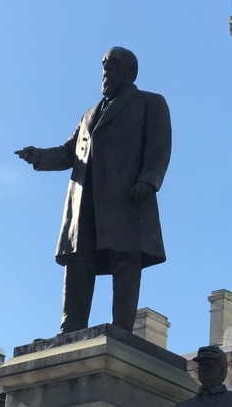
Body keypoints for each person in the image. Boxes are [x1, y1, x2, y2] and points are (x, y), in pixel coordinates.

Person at [15, 46, 171, 334]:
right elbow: (68, 153)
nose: (105, 70)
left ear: (130, 71)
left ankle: (122, 327)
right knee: (78, 259)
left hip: (125, 195)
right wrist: (39, 156)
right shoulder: (89, 115)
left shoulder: (150, 103)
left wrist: (149, 179)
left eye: (112, 64)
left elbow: (159, 145)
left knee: (125, 257)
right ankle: (70, 327)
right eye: (103, 64)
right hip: (84, 197)